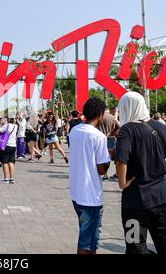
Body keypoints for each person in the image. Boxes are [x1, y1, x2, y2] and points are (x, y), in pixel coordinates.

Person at [115, 92, 166, 254]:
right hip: (161, 199)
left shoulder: (127, 130)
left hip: (134, 201)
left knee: (135, 248)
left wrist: (121, 183)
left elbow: (121, 161)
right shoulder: (162, 127)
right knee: (165, 246)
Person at [69, 98, 111, 254]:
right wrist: (110, 155)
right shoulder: (98, 137)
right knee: (88, 241)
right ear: (100, 114)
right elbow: (101, 169)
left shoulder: (75, 131)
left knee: (87, 236)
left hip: (76, 192)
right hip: (90, 195)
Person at [97, 109, 120, 180]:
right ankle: (111, 174)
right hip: (111, 138)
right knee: (110, 156)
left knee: (101, 155)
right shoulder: (112, 118)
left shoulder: (98, 117)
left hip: (100, 138)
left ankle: (105, 173)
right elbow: (118, 129)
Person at [0, 116, 18, 184]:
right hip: (13, 146)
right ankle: (11, 179)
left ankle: (6, 179)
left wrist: (1, 123)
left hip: (6, 145)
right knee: (11, 162)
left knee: (5, 162)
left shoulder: (6, 125)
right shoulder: (16, 126)